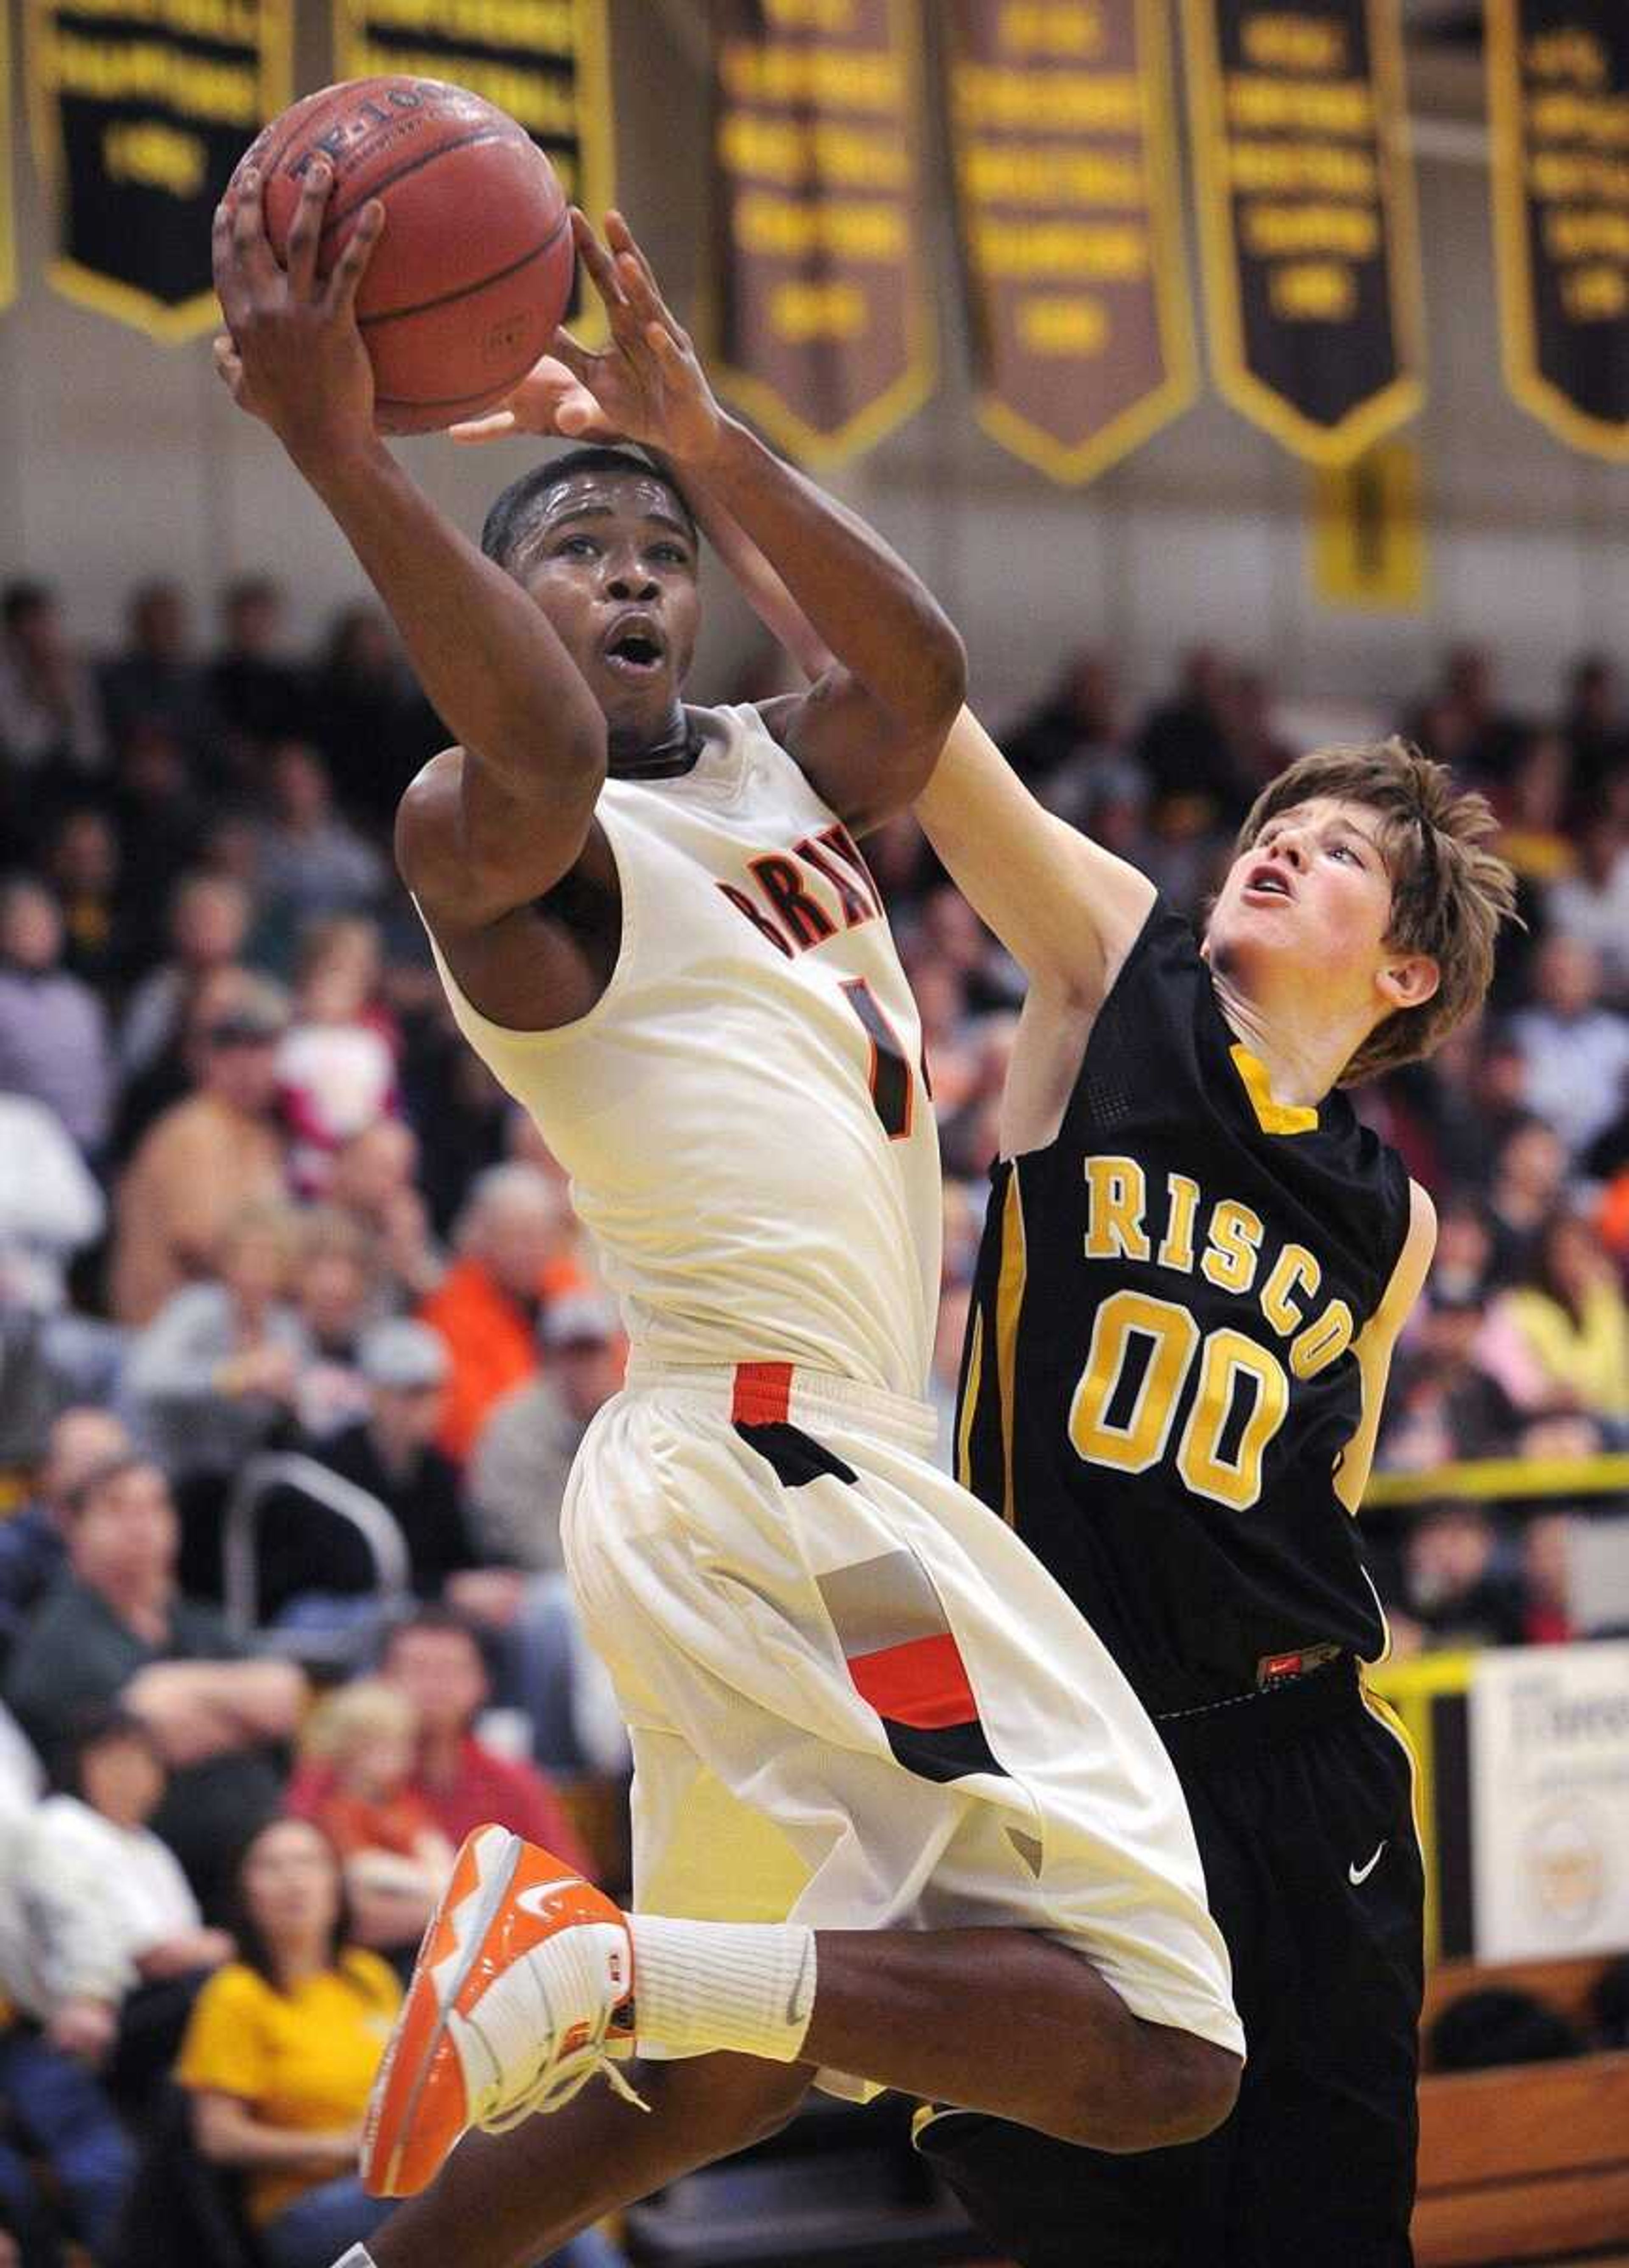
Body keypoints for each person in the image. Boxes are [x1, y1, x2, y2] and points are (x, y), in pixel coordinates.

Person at [211, 171, 1242, 2262]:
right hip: (782, 1466)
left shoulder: (776, 765)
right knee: (1159, 2039)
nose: (635, 576)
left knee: (727, 2064)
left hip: (784, 1472)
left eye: (660, 555)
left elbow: (924, 666)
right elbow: (527, 726)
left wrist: (709, 442)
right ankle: (588, 1954)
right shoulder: (496, 827)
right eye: (577, 547)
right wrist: (338, 455)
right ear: (497, 603)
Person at [4, 1451, 305, 1913]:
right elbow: (154, 1732)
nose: (140, 1525)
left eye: (155, 1507)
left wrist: (178, 1685)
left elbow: (287, 1696)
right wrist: (243, 1719)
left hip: (257, 1876)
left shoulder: (195, 1620)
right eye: (117, 1508)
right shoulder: (60, 1640)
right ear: (71, 1526)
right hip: (137, 1891)